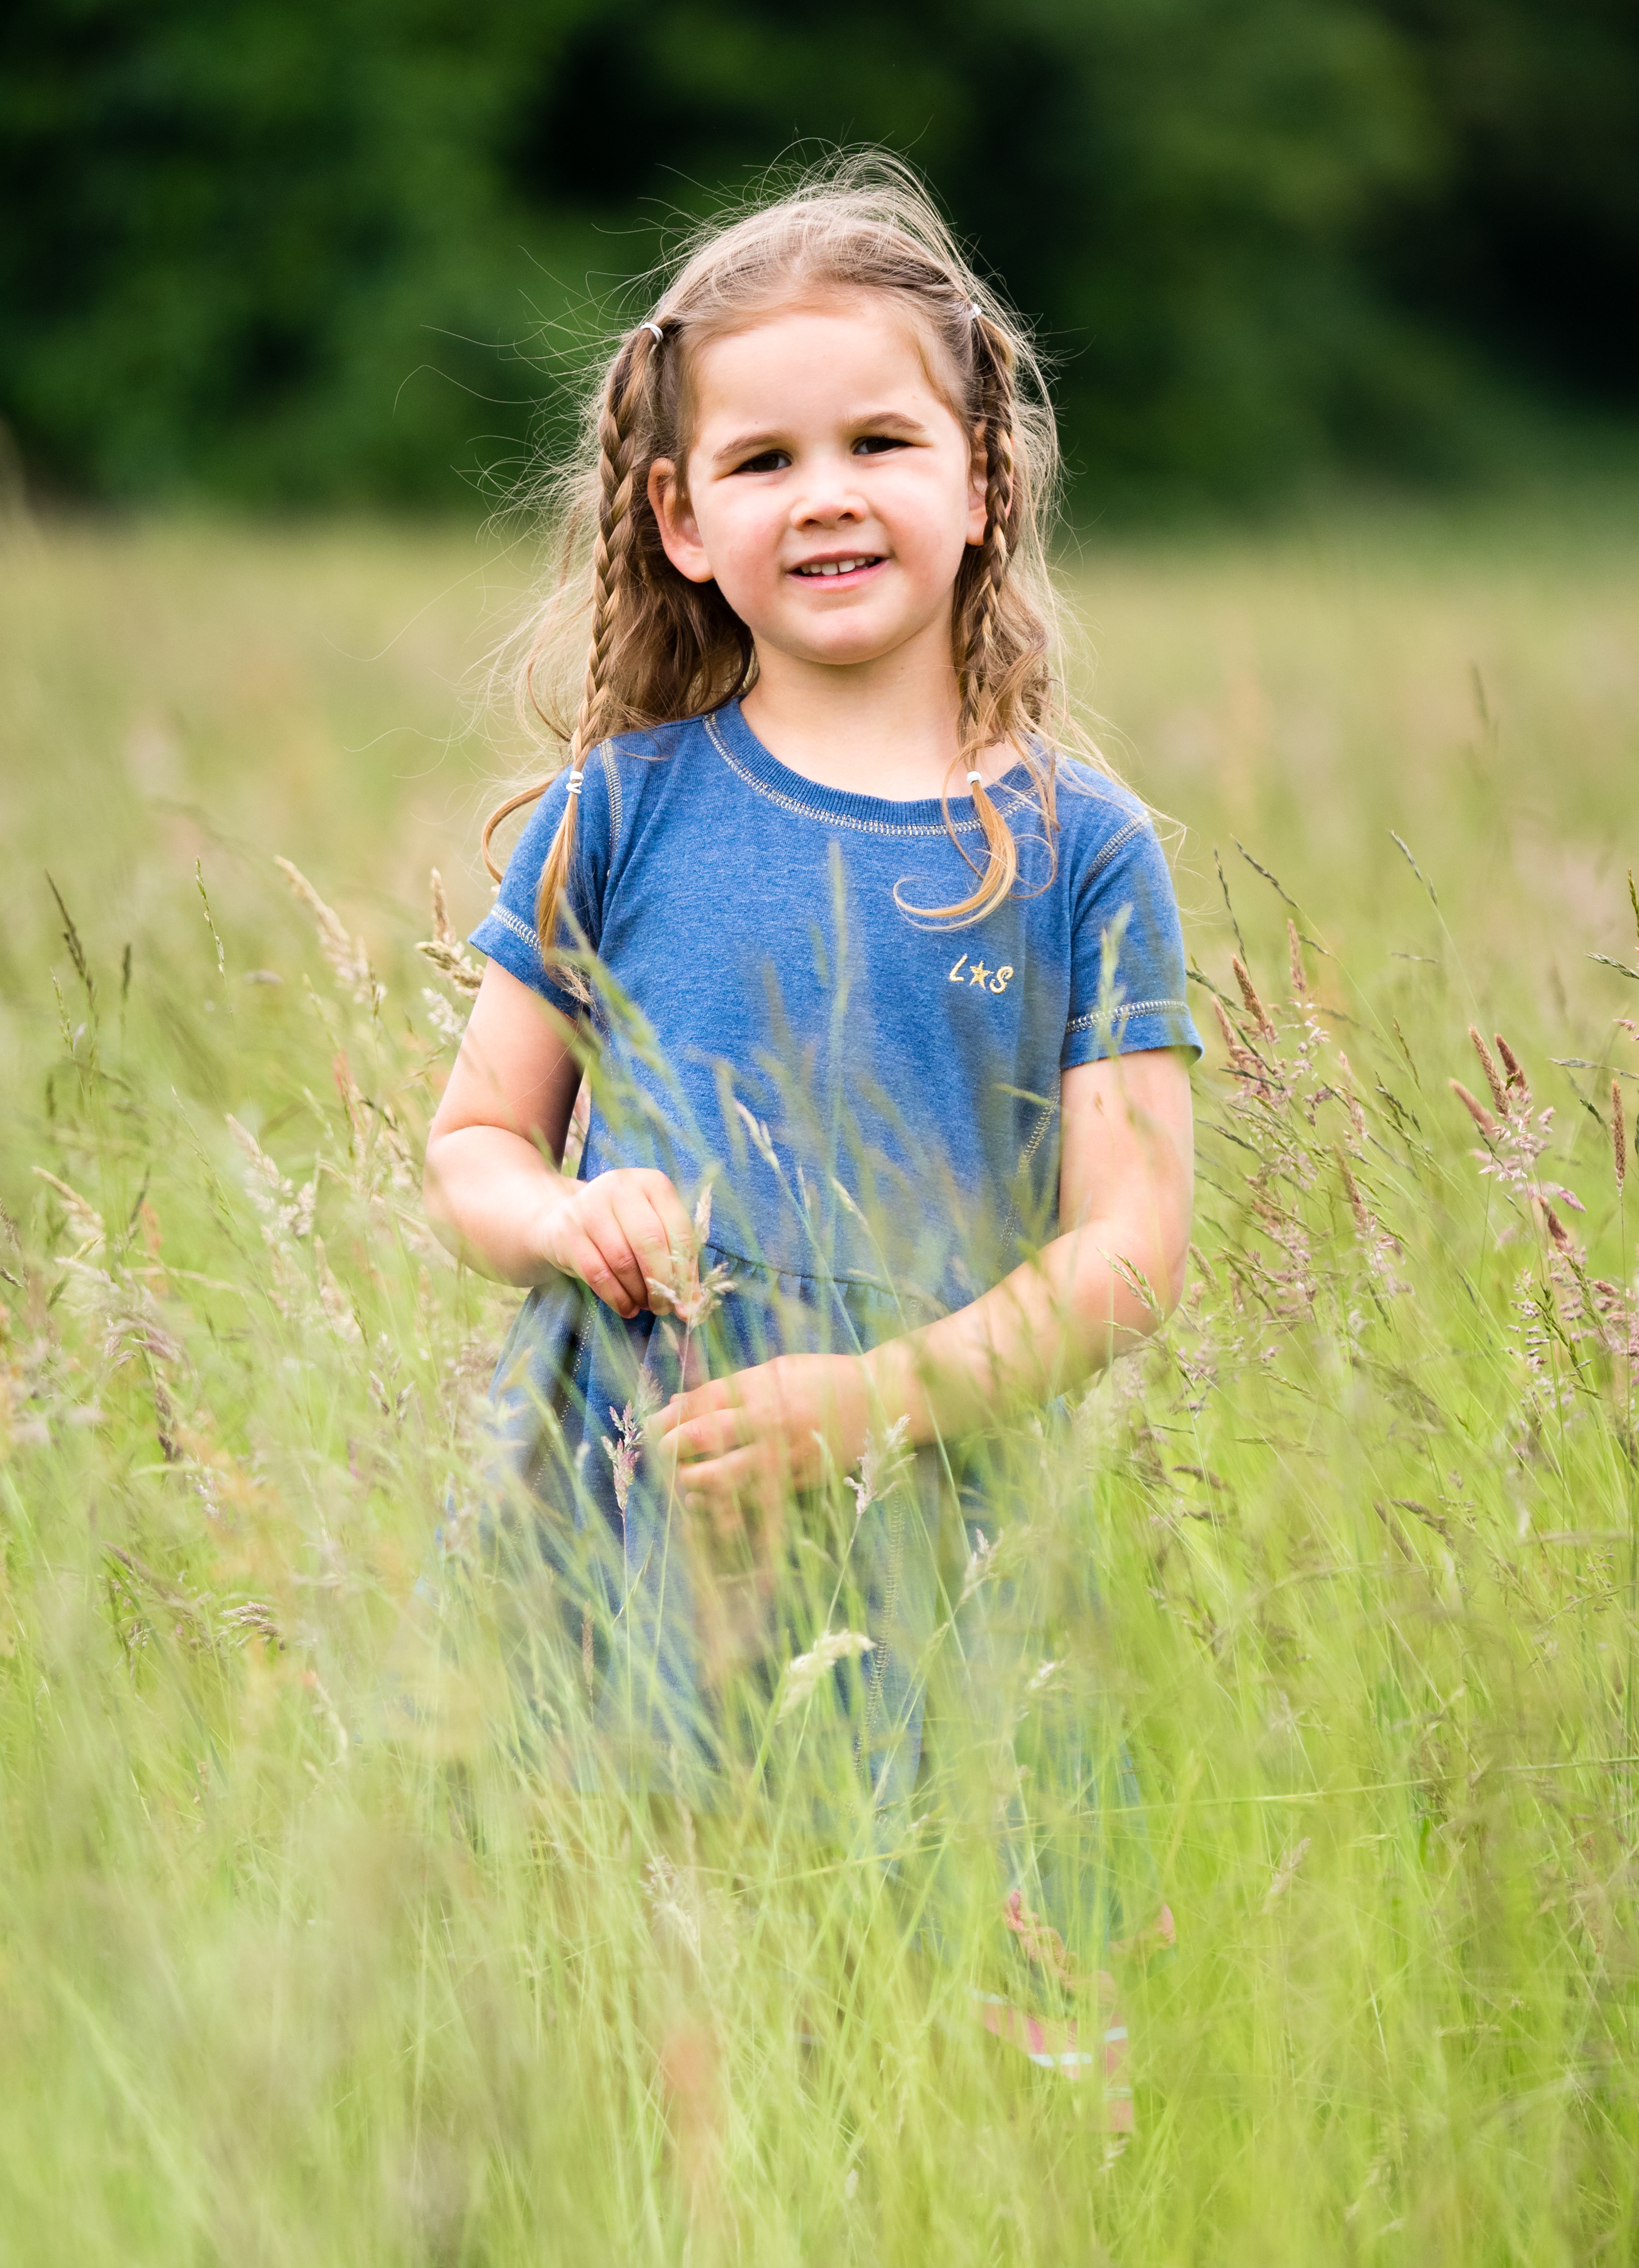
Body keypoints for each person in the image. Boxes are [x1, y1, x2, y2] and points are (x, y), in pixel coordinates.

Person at [422, 154, 1199, 2134]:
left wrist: (884, 1395)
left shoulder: (1080, 850)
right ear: (681, 520)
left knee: (949, 1976)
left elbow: (1128, 1248)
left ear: (981, 479)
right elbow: (472, 1149)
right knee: (666, 1949)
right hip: (630, 1466)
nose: (827, 491)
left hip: (924, 1483)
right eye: (761, 460)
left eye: (879, 438)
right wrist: (566, 1212)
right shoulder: (623, 812)